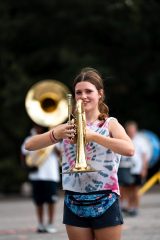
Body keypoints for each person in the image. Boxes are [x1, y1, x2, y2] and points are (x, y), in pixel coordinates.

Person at [25, 67, 134, 240]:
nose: (83, 96)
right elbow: (29, 145)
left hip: (105, 199)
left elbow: (129, 149)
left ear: (100, 94)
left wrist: (94, 137)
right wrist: (56, 134)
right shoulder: (67, 127)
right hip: (73, 201)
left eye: (88, 91)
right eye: (78, 92)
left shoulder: (110, 124)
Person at [21, 124, 61, 233]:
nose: (38, 128)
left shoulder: (53, 137)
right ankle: (40, 224)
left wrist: (52, 143)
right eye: (36, 126)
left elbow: (60, 155)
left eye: (40, 126)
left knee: (51, 201)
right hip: (36, 176)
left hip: (51, 175)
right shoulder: (29, 139)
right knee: (39, 201)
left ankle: (51, 224)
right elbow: (24, 155)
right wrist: (27, 168)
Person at [120, 121, 148, 216]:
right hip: (126, 168)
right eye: (129, 130)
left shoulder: (140, 141)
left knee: (135, 189)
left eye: (133, 129)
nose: (131, 131)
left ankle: (135, 207)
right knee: (125, 189)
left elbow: (144, 156)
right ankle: (128, 206)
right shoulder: (124, 139)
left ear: (135, 130)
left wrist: (144, 168)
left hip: (137, 169)